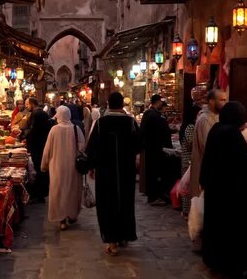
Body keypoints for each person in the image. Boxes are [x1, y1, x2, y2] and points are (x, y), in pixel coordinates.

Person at [200, 101, 247, 277]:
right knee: (231, 229)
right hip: (232, 193)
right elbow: (243, 162)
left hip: (216, 190)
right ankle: (231, 264)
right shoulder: (231, 134)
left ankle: (214, 260)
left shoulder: (217, 129)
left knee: (215, 226)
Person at [86, 92, 141, 256]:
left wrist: (92, 167)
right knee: (124, 202)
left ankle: (112, 241)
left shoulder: (101, 123)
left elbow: (92, 148)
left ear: (108, 104)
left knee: (107, 204)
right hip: (126, 172)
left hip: (106, 172)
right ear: (122, 104)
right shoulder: (131, 123)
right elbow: (139, 145)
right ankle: (123, 235)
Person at [41, 106, 85, 231]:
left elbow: (47, 150)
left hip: (57, 167)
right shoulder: (76, 129)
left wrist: (44, 165)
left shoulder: (54, 130)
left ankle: (62, 220)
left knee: (59, 191)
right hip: (73, 167)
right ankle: (72, 215)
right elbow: (82, 148)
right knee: (72, 191)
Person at [190, 89, 227, 199]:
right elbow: (208, 146)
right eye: (222, 100)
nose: (224, 103)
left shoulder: (215, 117)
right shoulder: (205, 120)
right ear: (211, 101)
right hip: (205, 169)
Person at [140, 95, 173, 206]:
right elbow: (160, 133)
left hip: (150, 148)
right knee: (154, 173)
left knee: (152, 172)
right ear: (157, 102)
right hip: (154, 149)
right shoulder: (154, 115)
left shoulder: (148, 114)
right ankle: (154, 197)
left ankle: (154, 196)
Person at [22, 97, 53, 203]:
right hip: (40, 145)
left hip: (38, 146)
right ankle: (41, 194)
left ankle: (40, 195)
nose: (25, 106)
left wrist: (24, 136)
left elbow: (34, 130)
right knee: (41, 170)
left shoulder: (37, 114)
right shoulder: (39, 113)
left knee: (39, 170)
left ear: (32, 104)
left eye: (26, 104)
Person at [179, 103, 201, 217]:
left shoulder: (188, 126)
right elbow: (192, 143)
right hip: (188, 161)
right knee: (187, 187)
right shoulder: (190, 127)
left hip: (188, 160)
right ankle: (187, 211)